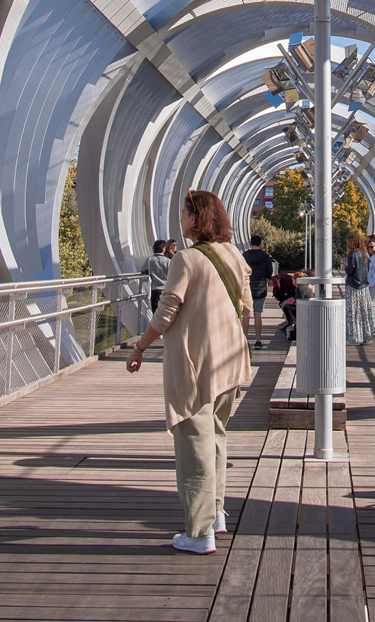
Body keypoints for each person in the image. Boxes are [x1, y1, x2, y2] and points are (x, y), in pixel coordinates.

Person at [125, 190, 254, 555]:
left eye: (185, 212)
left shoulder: (186, 259)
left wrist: (139, 348)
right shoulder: (234, 255)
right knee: (215, 437)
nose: (180, 218)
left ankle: (198, 533)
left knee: (193, 448)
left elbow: (166, 313)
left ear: (196, 219)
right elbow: (245, 307)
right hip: (229, 362)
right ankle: (216, 513)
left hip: (196, 363)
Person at [243, 234, 276, 349]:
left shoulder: (245, 255)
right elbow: (269, 271)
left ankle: (244, 341)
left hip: (247, 288)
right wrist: (268, 278)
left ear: (251, 243)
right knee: (258, 315)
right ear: (260, 244)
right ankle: (258, 341)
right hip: (260, 288)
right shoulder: (265, 256)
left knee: (246, 316)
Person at [343, 233, 375, 346]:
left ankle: (355, 337)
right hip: (364, 287)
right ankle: (367, 335)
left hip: (353, 287)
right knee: (364, 312)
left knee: (353, 312)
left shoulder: (353, 254)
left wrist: (345, 267)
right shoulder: (365, 254)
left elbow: (350, 270)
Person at [141, 239, 172, 313]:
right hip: (166, 289)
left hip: (154, 289)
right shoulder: (168, 261)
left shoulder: (150, 260)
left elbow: (143, 270)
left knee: (155, 313)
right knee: (165, 312)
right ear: (163, 249)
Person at [272, 269, 300, 340]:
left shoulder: (275, 278)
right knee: (284, 304)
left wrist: (275, 294)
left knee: (284, 304)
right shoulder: (281, 277)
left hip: (291, 292)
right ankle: (289, 321)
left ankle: (290, 323)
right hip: (290, 292)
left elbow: (277, 286)